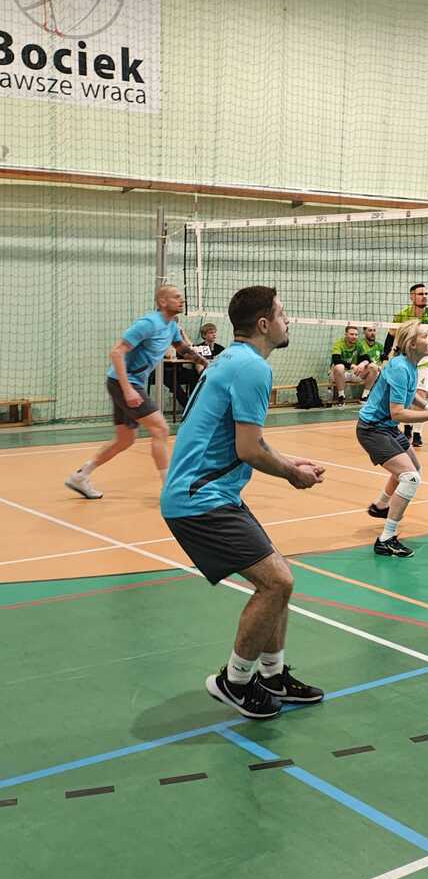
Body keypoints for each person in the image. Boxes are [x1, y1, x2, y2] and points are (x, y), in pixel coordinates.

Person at [161, 285, 326, 719]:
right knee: (277, 582)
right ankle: (234, 682)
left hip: (211, 493)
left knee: (276, 579)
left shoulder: (231, 360)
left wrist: (290, 460)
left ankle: (272, 676)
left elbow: (249, 438)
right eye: (283, 314)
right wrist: (292, 475)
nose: (288, 321)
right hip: (200, 499)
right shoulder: (252, 368)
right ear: (264, 324)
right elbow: (248, 449)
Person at [64, 286, 208, 499]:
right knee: (160, 428)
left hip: (126, 383)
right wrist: (128, 389)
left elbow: (183, 349)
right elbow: (116, 352)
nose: (182, 300)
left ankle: (80, 475)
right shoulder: (148, 324)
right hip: (124, 383)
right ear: (162, 301)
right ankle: (169, 488)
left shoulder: (171, 326)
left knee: (125, 440)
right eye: (176, 297)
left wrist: (206, 363)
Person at [357, 318, 428, 558]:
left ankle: (381, 505)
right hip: (373, 429)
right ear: (412, 344)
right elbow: (398, 413)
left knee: (414, 467)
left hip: (387, 427)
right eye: (424, 336)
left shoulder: (409, 365)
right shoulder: (401, 368)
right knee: (410, 478)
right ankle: (386, 539)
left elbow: (409, 395)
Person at [382, 283, 428, 448]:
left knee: (420, 394)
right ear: (412, 296)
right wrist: (384, 356)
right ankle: (407, 427)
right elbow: (390, 336)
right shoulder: (402, 315)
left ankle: (417, 433)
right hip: (405, 357)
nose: (424, 296)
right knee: (406, 394)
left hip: (424, 359)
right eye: (420, 294)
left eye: (426, 294)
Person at [330, 325, 379, 407]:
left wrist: (362, 364)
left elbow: (367, 358)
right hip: (339, 374)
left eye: (356, 335)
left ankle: (365, 396)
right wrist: (352, 365)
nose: (354, 337)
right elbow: (336, 360)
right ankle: (341, 396)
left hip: (354, 373)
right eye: (351, 334)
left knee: (373, 367)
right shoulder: (338, 344)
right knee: (339, 367)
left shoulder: (358, 344)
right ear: (346, 334)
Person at [354, 325, 382, 401]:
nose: (373, 333)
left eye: (374, 330)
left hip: (377, 372)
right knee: (373, 367)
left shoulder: (379, 346)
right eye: (370, 330)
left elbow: (383, 361)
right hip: (362, 372)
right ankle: (365, 395)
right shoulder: (359, 344)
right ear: (364, 332)